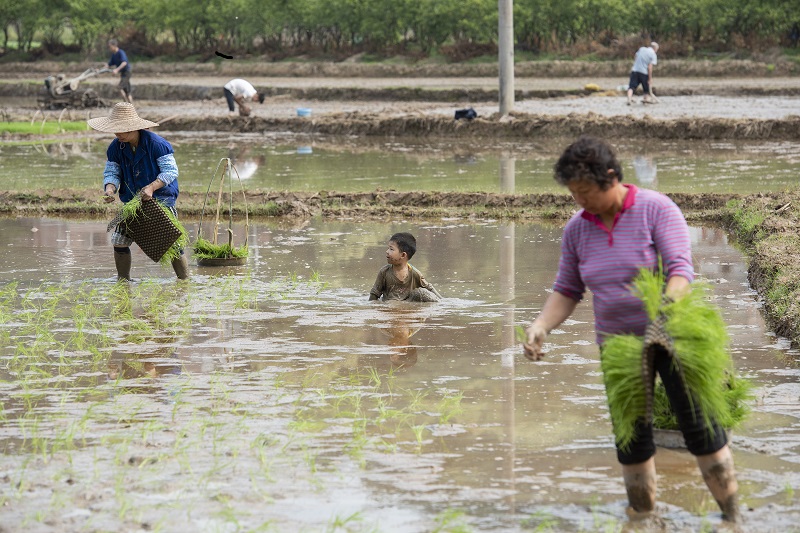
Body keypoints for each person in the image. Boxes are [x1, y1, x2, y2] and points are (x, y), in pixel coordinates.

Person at [522, 136, 741, 524]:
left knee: (701, 429)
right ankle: (643, 519)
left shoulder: (656, 209)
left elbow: (680, 271)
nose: (580, 200)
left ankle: (732, 517)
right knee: (632, 439)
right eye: (574, 193)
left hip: (675, 336)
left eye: (586, 191)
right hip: (619, 344)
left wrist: (665, 313)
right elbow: (568, 289)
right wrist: (541, 325)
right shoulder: (577, 229)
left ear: (611, 177)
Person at [88, 102, 189, 281]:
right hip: (132, 202)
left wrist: (151, 187)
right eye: (115, 130)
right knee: (119, 241)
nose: (118, 134)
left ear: (134, 128)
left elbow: (171, 172)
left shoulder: (157, 144)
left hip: (160, 200)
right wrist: (110, 189)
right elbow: (112, 172)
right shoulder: (116, 147)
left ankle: (184, 281)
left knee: (171, 243)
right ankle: (123, 280)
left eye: (122, 130)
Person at [369, 232, 442, 302]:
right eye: (388, 248)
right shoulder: (384, 272)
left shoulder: (415, 273)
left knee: (420, 293)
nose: (387, 251)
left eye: (391, 249)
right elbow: (374, 294)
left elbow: (429, 288)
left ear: (403, 255)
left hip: (407, 305)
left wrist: (442, 301)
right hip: (389, 306)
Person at [107, 39, 133, 104]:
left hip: (127, 72)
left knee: (119, 87)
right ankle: (131, 107)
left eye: (110, 46)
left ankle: (126, 105)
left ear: (114, 46)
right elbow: (109, 64)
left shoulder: (121, 52)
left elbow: (124, 63)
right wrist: (99, 69)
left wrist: (116, 70)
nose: (109, 48)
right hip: (123, 73)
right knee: (127, 92)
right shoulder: (114, 55)